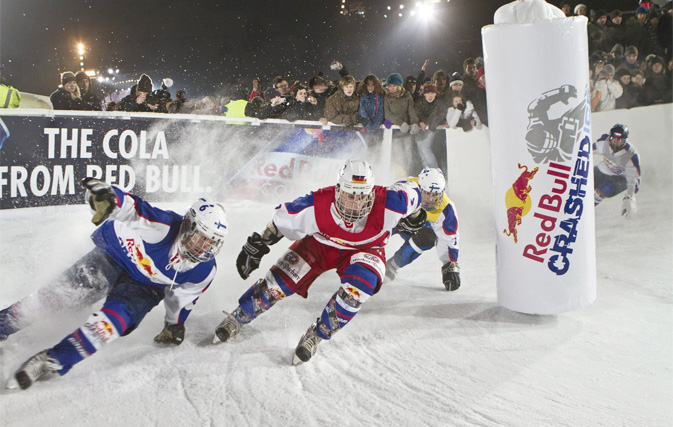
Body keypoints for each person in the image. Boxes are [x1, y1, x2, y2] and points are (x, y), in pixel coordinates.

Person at [1, 178, 228, 389]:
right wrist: (111, 198)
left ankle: (54, 360)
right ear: (187, 224)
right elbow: (134, 208)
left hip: (144, 288)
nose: (202, 248)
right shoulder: (163, 227)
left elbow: (184, 298)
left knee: (109, 324)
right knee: (55, 298)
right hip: (112, 255)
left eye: (211, 243)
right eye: (200, 237)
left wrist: (173, 325)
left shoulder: (205, 270)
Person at [213, 160, 426, 364]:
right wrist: (259, 244)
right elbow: (281, 221)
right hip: (320, 246)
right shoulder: (316, 204)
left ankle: (317, 334)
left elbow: (414, 192)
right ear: (338, 190)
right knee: (275, 287)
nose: (354, 203)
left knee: (359, 289)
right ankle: (239, 317)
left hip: (365, 249)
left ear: (371, 195)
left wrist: (416, 213)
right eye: (349, 195)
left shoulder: (393, 202)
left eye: (361, 197)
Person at [385, 168, 460, 291]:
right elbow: (383, 211)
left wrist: (449, 264)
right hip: (397, 221)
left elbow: (449, 237)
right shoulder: (405, 188)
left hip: (417, 229)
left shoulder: (446, 208)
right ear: (420, 188)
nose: (431, 199)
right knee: (382, 224)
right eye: (428, 193)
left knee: (427, 238)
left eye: (435, 194)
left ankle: (392, 266)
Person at [593, 124, 641, 219]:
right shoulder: (603, 143)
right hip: (602, 170)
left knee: (606, 188)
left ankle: (588, 207)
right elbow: (584, 151)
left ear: (625, 141)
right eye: (614, 139)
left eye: (620, 140)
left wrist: (630, 196)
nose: (616, 142)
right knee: (583, 179)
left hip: (620, 179)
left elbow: (635, 180)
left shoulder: (631, 155)